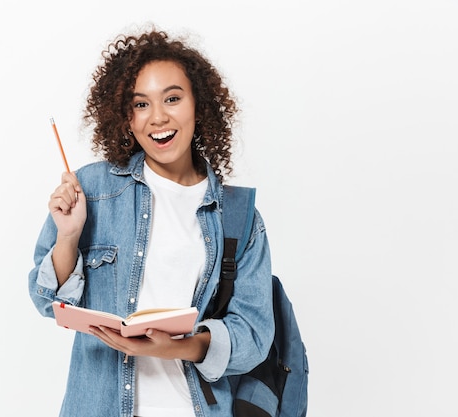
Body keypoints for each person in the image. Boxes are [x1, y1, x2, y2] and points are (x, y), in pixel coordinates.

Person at [28, 27, 274, 417]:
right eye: (140, 104)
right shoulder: (91, 188)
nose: (157, 118)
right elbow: (47, 303)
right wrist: (69, 237)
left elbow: (254, 336)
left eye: (172, 99)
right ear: (126, 117)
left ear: (199, 105)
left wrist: (174, 346)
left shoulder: (238, 214)